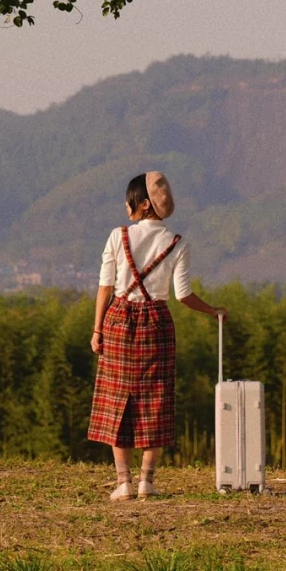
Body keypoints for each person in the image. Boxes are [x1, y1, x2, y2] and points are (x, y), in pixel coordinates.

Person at [87, 170, 226, 500]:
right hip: (157, 322)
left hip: (118, 318)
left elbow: (105, 286)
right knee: (155, 401)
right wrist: (212, 311)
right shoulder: (178, 242)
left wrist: (97, 329)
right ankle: (147, 482)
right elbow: (183, 295)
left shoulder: (117, 236)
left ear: (145, 204)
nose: (127, 205)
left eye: (131, 199)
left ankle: (123, 484)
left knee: (116, 398)